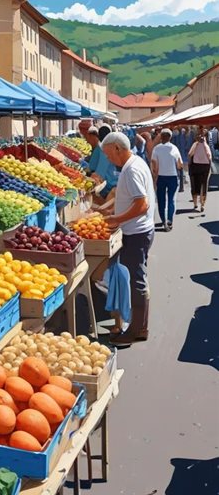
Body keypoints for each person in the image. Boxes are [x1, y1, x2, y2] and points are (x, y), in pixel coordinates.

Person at [101, 132, 155, 346]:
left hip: (137, 233)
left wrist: (117, 219)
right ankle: (140, 327)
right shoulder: (136, 163)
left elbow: (142, 205)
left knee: (137, 281)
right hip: (140, 231)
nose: (107, 159)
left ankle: (135, 331)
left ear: (117, 148)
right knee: (138, 278)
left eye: (108, 154)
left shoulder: (131, 169)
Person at [151, 129, 183, 231]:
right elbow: (179, 165)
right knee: (171, 199)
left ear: (161, 137)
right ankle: (169, 220)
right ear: (170, 137)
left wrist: (154, 176)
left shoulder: (156, 148)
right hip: (172, 176)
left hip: (161, 176)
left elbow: (154, 164)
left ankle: (163, 219)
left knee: (161, 200)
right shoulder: (174, 148)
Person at [188, 127, 212, 212]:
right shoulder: (197, 144)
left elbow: (209, 155)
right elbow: (190, 154)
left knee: (200, 185)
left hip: (199, 166)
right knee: (199, 185)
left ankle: (200, 204)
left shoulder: (205, 145)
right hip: (199, 166)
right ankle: (198, 204)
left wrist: (202, 144)